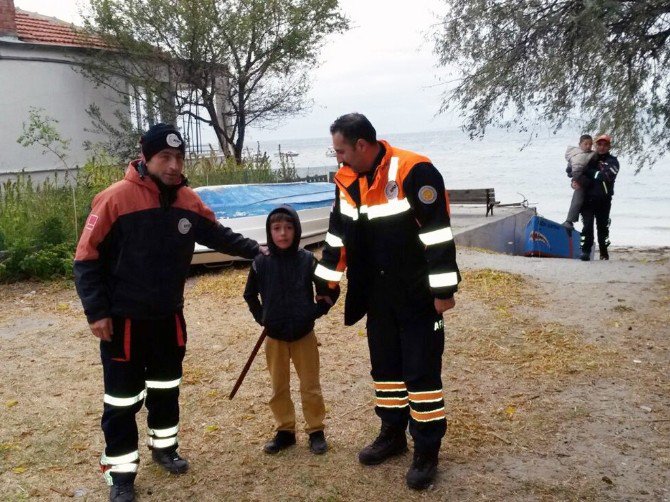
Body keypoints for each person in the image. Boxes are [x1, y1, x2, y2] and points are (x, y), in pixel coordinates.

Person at [74, 123, 264, 502]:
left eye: (179, 157)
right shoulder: (114, 199)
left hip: (168, 317)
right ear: (145, 157)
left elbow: (219, 235)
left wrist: (260, 251)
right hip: (124, 321)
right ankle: (121, 473)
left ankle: (164, 447)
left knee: (166, 387)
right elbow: (86, 259)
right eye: (166, 157)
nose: (174, 165)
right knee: (122, 399)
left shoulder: (187, 201)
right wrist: (96, 313)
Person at [314, 113, 461, 490]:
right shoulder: (346, 180)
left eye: (341, 150)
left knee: (421, 371)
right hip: (376, 295)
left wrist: (443, 292)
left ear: (362, 145)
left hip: (416, 294)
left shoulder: (414, 170)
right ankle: (392, 434)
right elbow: (337, 238)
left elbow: (438, 234)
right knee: (386, 370)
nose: (338, 159)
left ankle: (426, 449)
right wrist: (326, 287)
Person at [243, 205, 335, 456]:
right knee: (278, 387)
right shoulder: (261, 263)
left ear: (296, 230)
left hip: (304, 334)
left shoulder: (307, 260)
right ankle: (285, 430)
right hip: (274, 337)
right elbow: (250, 294)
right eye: (276, 228)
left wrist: (316, 311)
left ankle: (315, 430)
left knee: (310, 385)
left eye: (288, 227)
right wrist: (262, 318)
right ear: (269, 232)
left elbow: (328, 289)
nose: (282, 234)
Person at [579, 133, 619, 261]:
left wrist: (591, 172)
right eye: (599, 144)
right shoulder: (589, 158)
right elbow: (576, 171)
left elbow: (605, 176)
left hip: (604, 200)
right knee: (587, 227)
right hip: (587, 200)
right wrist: (576, 180)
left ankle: (603, 252)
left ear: (609, 147)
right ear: (596, 145)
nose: (601, 147)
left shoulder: (613, 161)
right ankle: (585, 251)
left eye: (605, 145)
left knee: (603, 228)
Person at [562, 134, 594, 230]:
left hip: (590, 185)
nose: (588, 146)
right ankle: (569, 221)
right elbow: (571, 171)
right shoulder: (576, 155)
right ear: (580, 144)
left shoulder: (592, 155)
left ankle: (571, 222)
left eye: (590, 144)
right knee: (578, 195)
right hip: (582, 182)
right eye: (586, 144)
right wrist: (574, 181)